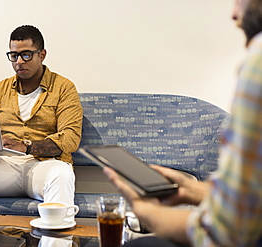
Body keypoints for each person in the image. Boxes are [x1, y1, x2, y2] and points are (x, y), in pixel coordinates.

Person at [104, 0, 262, 246]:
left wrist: (147, 213)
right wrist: (194, 190)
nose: (234, 15)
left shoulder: (258, 61)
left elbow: (226, 233)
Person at [0, 25, 83, 218]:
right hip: (3, 167)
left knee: (62, 173)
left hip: (43, 167)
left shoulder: (63, 88)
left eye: (26, 55)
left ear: (42, 55)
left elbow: (70, 139)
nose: (19, 62)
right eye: (13, 55)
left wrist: (25, 146)